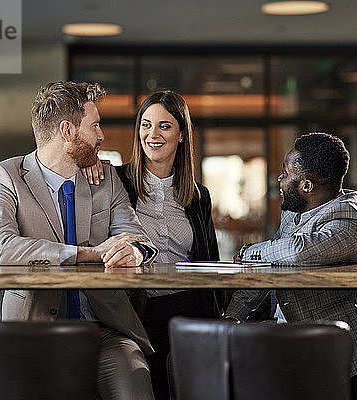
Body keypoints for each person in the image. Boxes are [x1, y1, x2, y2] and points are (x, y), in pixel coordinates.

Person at [0, 81, 158, 400]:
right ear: (67, 130)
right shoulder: (6, 175)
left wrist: (133, 251)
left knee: (136, 385)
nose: (101, 135)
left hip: (105, 332)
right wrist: (87, 254)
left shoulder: (105, 177)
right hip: (33, 333)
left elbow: (140, 238)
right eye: (95, 126)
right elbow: (2, 248)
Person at [84, 90, 219, 399]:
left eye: (165, 126)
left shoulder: (199, 196)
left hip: (189, 313)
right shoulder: (114, 181)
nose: (152, 134)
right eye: (145, 125)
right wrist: (89, 161)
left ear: (182, 134)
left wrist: (219, 316)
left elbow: (210, 261)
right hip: (136, 312)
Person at [223, 132, 357, 400]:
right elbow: (270, 269)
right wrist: (229, 319)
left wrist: (250, 251)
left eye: (285, 173)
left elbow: (298, 252)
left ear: (306, 185)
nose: (279, 179)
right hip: (282, 336)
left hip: (325, 349)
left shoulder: (348, 220)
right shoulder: (294, 212)